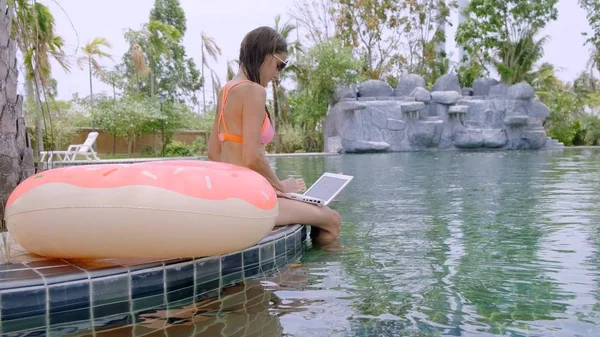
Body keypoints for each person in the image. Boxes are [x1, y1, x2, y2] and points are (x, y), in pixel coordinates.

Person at [207, 26, 341, 244]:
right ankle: (324, 264)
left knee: (317, 210)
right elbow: (252, 156)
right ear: (266, 54)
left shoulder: (227, 90)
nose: (278, 74)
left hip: (231, 194)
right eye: (280, 65)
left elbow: (214, 153)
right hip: (249, 199)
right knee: (332, 219)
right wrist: (280, 186)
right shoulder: (254, 91)